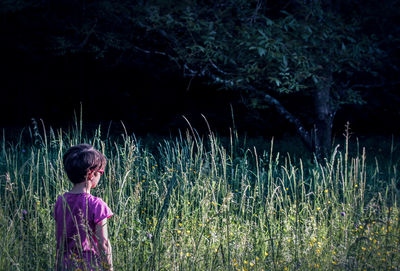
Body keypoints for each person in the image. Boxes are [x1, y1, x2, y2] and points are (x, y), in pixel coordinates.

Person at [54, 144, 113, 270]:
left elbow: (59, 241)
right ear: (91, 174)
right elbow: (104, 244)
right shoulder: (97, 205)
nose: (101, 176)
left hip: (65, 265)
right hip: (89, 266)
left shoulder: (61, 201)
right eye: (100, 172)